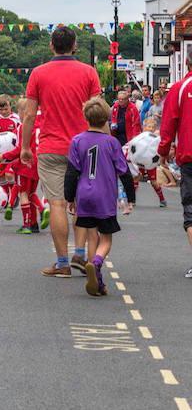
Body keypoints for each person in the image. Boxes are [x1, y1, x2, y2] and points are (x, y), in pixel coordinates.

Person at [20, 26, 102, 278]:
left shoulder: (38, 74)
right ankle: (79, 252)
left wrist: (25, 147)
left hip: (50, 147)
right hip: (85, 146)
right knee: (82, 204)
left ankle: (63, 262)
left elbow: (30, 115)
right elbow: (98, 112)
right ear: (74, 46)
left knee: (56, 203)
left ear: (51, 46)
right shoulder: (88, 72)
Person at [66, 98, 135, 295]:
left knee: (91, 236)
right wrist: (131, 198)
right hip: (105, 197)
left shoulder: (77, 140)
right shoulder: (112, 142)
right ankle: (95, 264)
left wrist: (69, 198)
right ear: (106, 118)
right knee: (106, 240)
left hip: (84, 195)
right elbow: (124, 172)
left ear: (85, 117)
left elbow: (71, 172)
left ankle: (98, 281)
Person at [158, 51, 192, 277]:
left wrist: (163, 152)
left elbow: (169, 123)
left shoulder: (180, 89)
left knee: (191, 212)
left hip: (189, 157)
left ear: (188, 62)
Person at [0, 99, 47, 234]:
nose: (18, 115)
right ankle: (34, 223)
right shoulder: (40, 125)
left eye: (19, 112)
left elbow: (20, 148)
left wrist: (4, 156)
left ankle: (27, 223)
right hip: (38, 162)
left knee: (23, 193)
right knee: (31, 192)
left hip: (26, 163)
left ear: (24, 112)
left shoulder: (23, 126)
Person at [0, 94, 21, 219]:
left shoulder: (16, 119)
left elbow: (20, 133)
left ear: (10, 107)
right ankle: (7, 197)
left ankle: (13, 197)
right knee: (1, 177)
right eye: (1, 109)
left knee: (9, 174)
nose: (3, 111)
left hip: (12, 155)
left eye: (6, 109)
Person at [132, 118, 167, 208]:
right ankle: (132, 200)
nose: (151, 129)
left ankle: (162, 199)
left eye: (153, 127)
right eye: (149, 126)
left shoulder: (156, 138)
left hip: (150, 163)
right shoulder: (140, 137)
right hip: (140, 162)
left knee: (153, 182)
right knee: (136, 179)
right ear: (144, 127)